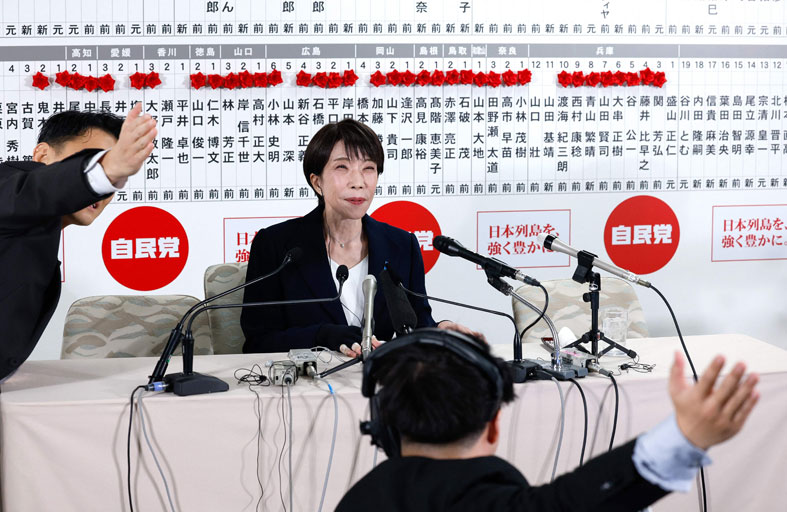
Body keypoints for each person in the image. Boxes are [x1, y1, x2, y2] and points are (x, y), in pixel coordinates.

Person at [337, 328, 760, 511]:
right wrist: (685, 436)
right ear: (494, 425)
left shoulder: (359, 500)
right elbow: (570, 503)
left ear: (383, 426)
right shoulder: (483, 501)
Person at [241, 119, 476, 356]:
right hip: (307, 377)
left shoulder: (402, 245)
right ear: (317, 182)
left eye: (368, 168)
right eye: (342, 167)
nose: (358, 183)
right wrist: (322, 335)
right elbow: (258, 342)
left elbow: (417, 325)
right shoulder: (276, 245)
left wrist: (439, 330)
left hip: (379, 376)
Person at [0, 104, 157, 380]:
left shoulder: (41, 233)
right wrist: (106, 169)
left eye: (117, 178)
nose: (105, 191)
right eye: (89, 160)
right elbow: (29, 192)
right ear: (42, 155)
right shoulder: (8, 185)